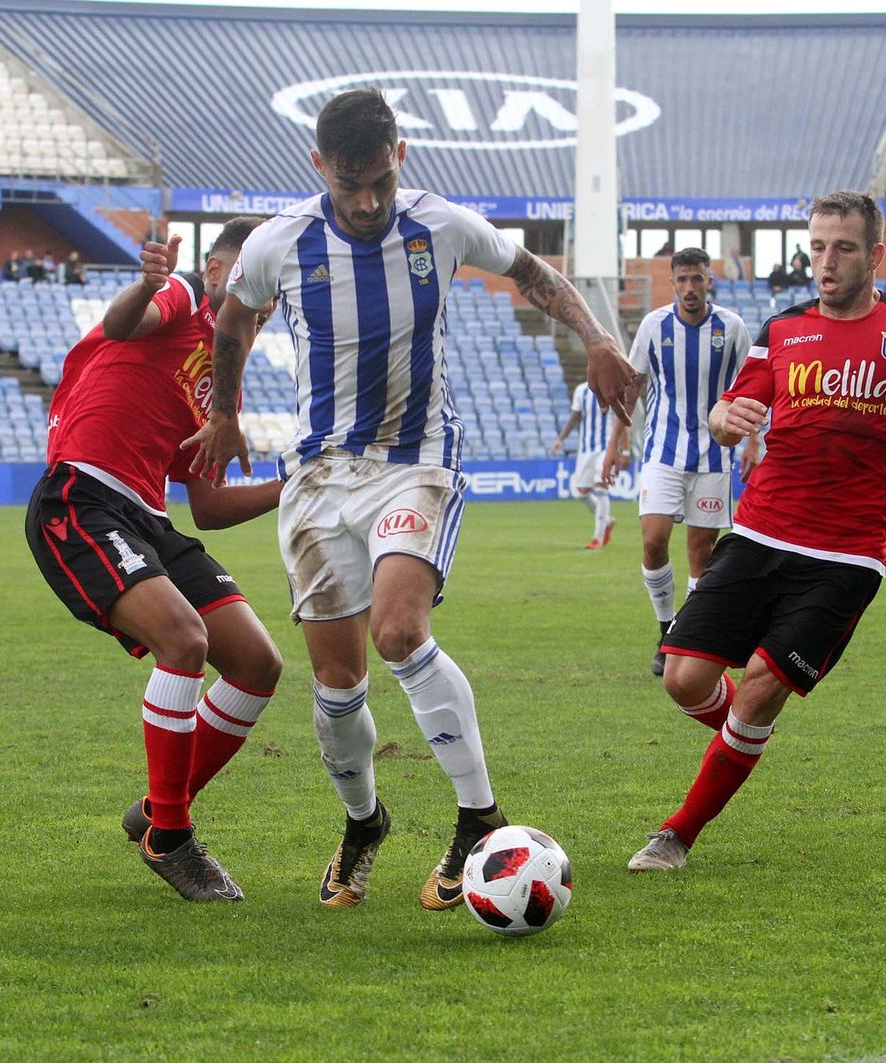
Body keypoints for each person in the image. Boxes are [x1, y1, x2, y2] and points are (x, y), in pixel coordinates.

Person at [183, 88, 638, 911]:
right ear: (318, 166)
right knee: (336, 685)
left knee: (398, 629)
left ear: (402, 157)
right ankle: (364, 822)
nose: (366, 202)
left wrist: (598, 338)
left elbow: (531, 270)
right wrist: (223, 409)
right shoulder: (278, 244)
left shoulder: (442, 225)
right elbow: (232, 323)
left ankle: (477, 817)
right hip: (318, 477)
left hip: (416, 460)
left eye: (380, 182)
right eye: (349, 182)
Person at [624, 191, 886, 874]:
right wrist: (726, 420)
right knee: (684, 679)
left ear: (874, 254)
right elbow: (730, 408)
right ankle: (745, 738)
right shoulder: (783, 329)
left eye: (841, 247)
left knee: (758, 684)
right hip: (759, 530)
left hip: (848, 551)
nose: (825, 261)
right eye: (816, 246)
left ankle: (678, 833)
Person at [27, 218, 283, 902]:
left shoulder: (218, 378)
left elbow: (206, 504)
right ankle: (171, 834)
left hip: (150, 519)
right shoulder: (178, 296)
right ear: (219, 273)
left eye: (274, 296)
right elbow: (119, 326)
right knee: (184, 640)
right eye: (252, 281)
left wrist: (298, 486)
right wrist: (144, 284)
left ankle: (157, 808)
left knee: (259, 664)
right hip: (82, 498)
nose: (263, 304)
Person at [608, 247, 759, 677]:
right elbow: (631, 387)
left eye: (698, 279)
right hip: (662, 451)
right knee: (653, 540)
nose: (690, 288)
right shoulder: (654, 326)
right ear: (672, 283)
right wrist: (616, 443)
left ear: (709, 280)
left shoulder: (731, 328)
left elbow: (752, 386)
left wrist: (753, 443)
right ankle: (664, 626)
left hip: (715, 455)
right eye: (682, 280)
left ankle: (681, 639)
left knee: (701, 552)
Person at [550, 379, 617, 549]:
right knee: (582, 492)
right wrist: (560, 439)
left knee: (601, 488)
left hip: (605, 447)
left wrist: (623, 449)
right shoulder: (581, 390)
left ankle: (598, 538)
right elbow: (574, 418)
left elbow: (621, 418)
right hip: (586, 449)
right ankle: (607, 521)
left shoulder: (611, 386)